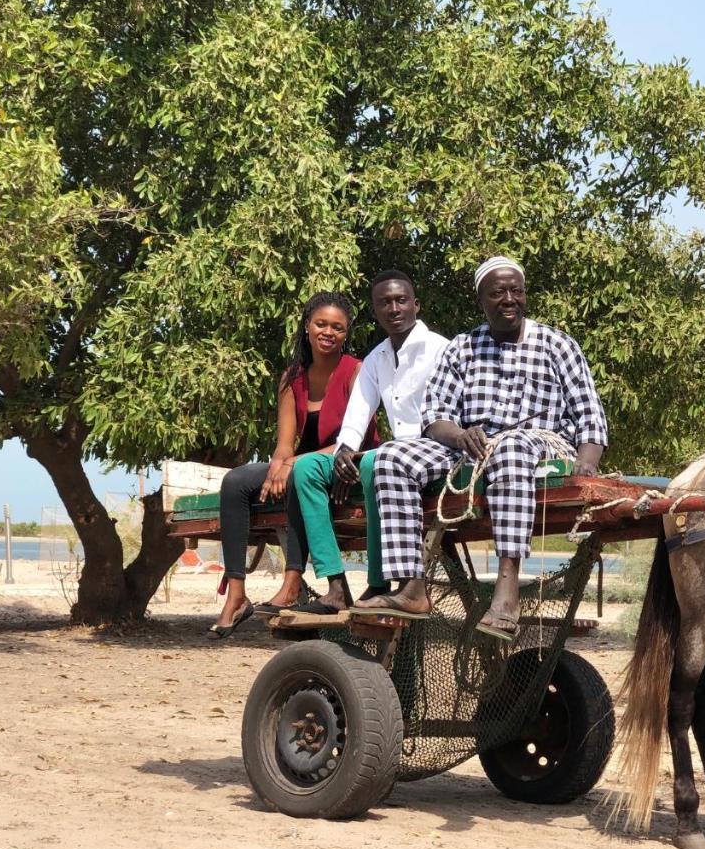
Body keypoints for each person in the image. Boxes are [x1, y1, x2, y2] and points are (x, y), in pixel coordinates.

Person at [352, 256, 608, 640]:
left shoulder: (557, 344)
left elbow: (590, 415)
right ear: (481, 301)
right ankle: (411, 587)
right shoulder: (462, 348)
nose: (509, 299)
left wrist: (586, 463)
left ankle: (507, 591)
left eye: (516, 291)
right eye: (498, 293)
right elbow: (435, 416)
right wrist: (459, 436)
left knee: (511, 448)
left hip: (537, 443)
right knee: (390, 457)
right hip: (468, 448)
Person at [207, 292, 378, 638]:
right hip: (303, 461)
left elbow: (352, 439)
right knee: (236, 481)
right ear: (306, 327)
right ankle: (237, 594)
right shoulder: (292, 377)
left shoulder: (357, 371)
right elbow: (285, 442)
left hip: (345, 462)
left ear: (346, 334)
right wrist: (276, 465)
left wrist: (290, 464)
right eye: (321, 324)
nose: (328, 332)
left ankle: (292, 581)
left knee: (300, 474)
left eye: (338, 327)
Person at [285, 270, 448, 613]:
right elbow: (358, 412)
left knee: (377, 459)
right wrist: (344, 452)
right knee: (307, 468)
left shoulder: (441, 350)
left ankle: (377, 582)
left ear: (415, 305)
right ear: (376, 312)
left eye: (401, 300)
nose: (394, 308)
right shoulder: (376, 359)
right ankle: (335, 584)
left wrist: (362, 456)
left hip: (433, 451)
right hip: (394, 453)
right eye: (384, 303)